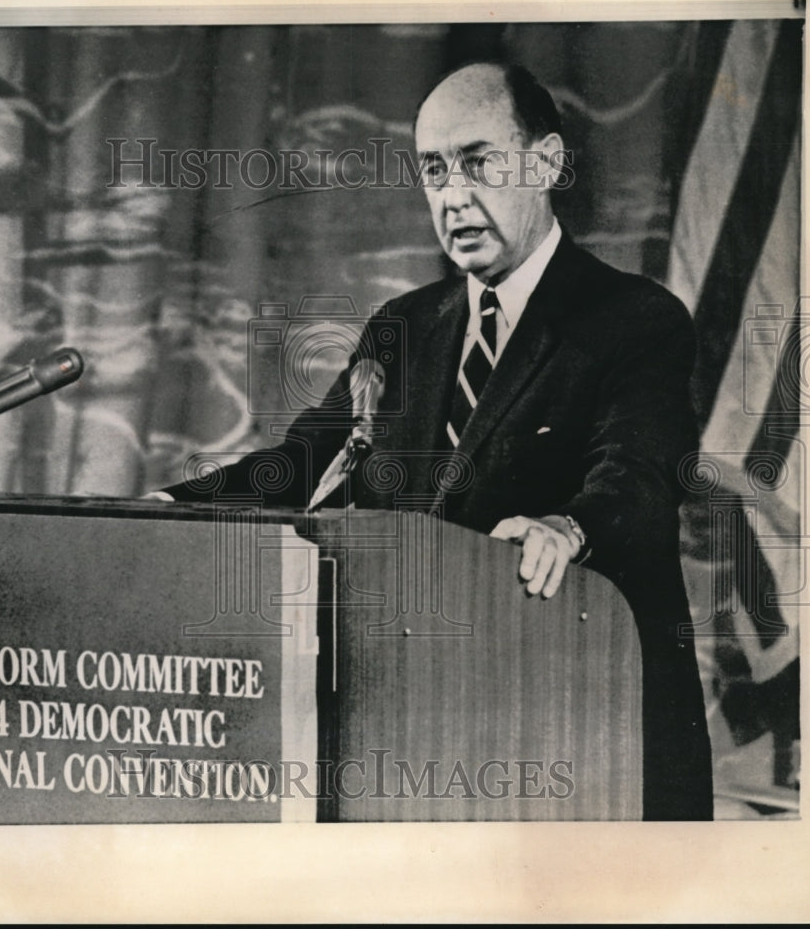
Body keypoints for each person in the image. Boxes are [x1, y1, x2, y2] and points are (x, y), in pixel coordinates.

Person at [159, 61, 713, 820]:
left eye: (478, 162)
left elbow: (640, 475)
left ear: (546, 162)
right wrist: (165, 507)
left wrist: (567, 526)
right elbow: (299, 466)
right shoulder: (406, 326)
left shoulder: (635, 319)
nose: (453, 197)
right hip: (432, 724)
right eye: (433, 170)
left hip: (585, 719)